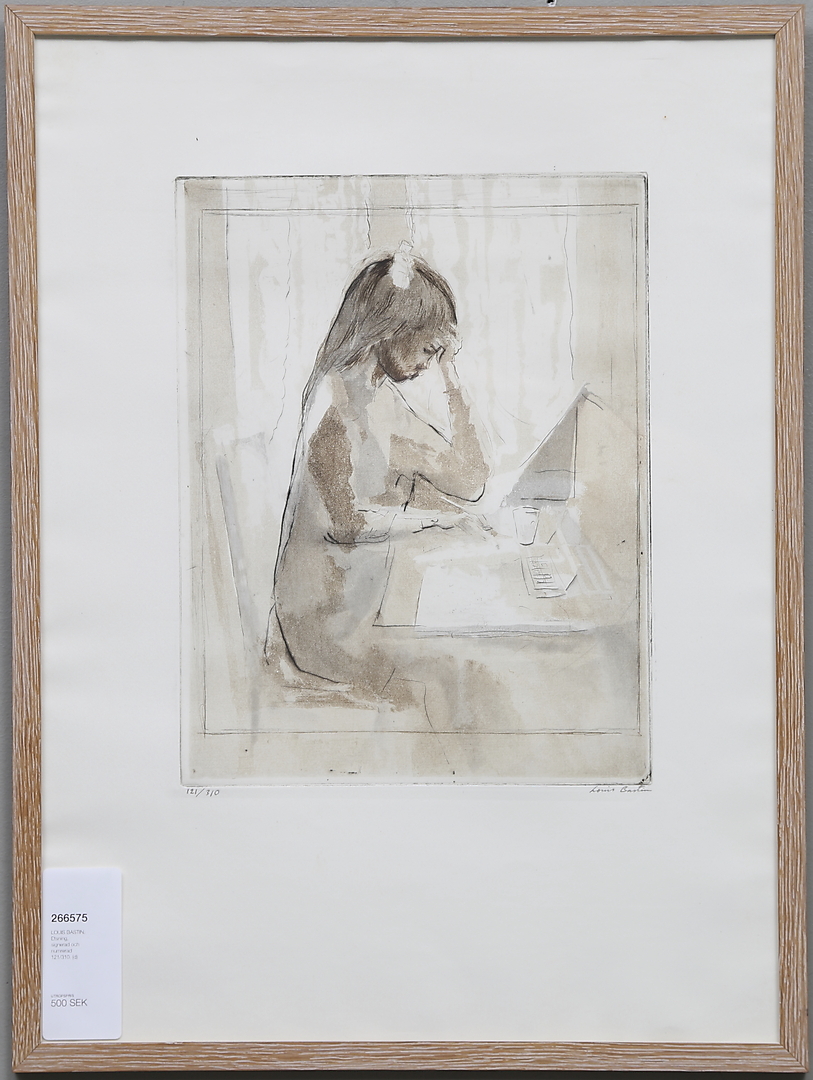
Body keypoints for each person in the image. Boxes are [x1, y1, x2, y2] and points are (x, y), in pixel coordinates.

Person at [273, 248, 489, 695]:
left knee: (472, 655)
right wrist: (440, 521)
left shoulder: (380, 396)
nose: (431, 360)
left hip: (364, 609)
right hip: (325, 632)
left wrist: (451, 374)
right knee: (470, 670)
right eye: (429, 349)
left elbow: (470, 480)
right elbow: (347, 524)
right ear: (392, 329)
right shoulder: (335, 403)